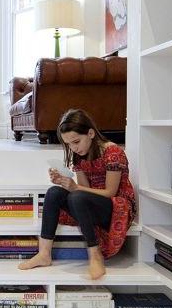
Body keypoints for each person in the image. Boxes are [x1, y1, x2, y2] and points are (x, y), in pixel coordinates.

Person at [19, 108, 136, 279]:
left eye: (76, 142)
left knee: (77, 196)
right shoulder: (79, 155)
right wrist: (63, 182)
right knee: (54, 192)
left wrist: (75, 189)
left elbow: (110, 192)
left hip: (115, 207)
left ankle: (95, 254)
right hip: (88, 203)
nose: (73, 148)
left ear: (90, 133)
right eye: (69, 144)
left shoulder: (113, 153)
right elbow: (82, 190)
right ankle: (44, 253)